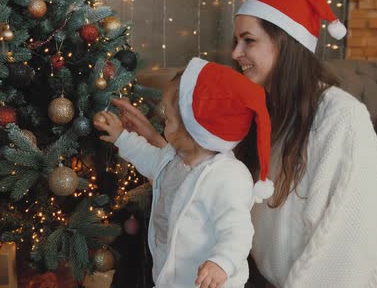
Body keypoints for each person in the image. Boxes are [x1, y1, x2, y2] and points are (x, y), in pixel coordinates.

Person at [114, 0, 377, 287]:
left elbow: (346, 238)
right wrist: (152, 137)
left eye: (248, 41)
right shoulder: (259, 107)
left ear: (286, 43)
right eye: (236, 42)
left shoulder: (341, 116)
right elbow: (210, 178)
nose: (236, 53)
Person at [95, 59, 273, 288]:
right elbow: (147, 156)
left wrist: (222, 263)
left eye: (168, 119)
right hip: (172, 275)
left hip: (208, 281)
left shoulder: (227, 177)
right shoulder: (173, 158)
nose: (164, 125)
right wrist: (121, 136)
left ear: (193, 128)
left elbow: (237, 229)